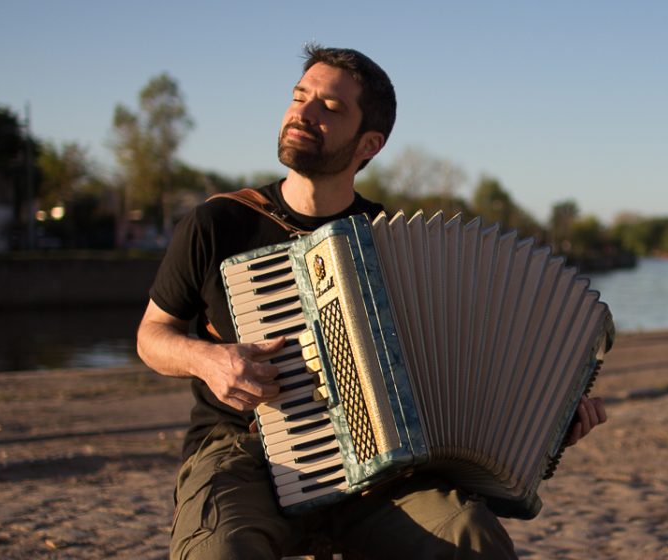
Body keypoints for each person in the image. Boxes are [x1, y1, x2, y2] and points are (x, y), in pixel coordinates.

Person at [136, 44, 607, 560]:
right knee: (220, 551)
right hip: (244, 449)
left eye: (330, 108)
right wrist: (209, 360)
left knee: (471, 539)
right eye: (300, 97)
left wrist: (550, 417)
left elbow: (458, 363)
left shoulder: (388, 242)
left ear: (369, 144)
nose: (303, 113)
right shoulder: (218, 222)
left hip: (378, 467)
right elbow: (152, 336)